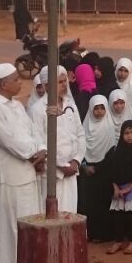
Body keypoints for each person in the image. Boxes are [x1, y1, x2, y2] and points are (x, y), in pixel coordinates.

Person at [0, 62, 45, 263]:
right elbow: (8, 140)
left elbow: (32, 131)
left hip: (27, 172)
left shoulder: (17, 106)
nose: (20, 82)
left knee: (27, 222)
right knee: (7, 226)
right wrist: (33, 154)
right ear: (3, 84)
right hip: (6, 175)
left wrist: (40, 151)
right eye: (16, 79)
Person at [29, 68, 86, 212]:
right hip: (52, 174)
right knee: (51, 214)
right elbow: (38, 142)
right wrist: (61, 166)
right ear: (47, 85)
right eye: (60, 82)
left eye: (65, 81)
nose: (64, 85)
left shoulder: (70, 105)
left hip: (72, 172)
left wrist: (76, 161)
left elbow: (80, 134)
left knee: (70, 213)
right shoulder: (37, 109)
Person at [80, 92, 119, 241]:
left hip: (104, 171)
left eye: (102, 108)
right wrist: (84, 166)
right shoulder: (84, 128)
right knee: (88, 202)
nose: (99, 111)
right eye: (96, 108)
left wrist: (98, 168)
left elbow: (111, 153)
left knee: (103, 202)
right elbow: (80, 148)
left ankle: (104, 234)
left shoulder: (110, 128)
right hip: (87, 172)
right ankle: (90, 233)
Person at [105, 119, 132, 254]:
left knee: (130, 217)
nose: (129, 136)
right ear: (122, 134)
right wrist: (116, 188)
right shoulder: (117, 152)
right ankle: (118, 242)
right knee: (117, 216)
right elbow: (112, 172)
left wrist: (127, 189)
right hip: (118, 189)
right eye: (126, 133)